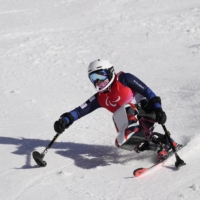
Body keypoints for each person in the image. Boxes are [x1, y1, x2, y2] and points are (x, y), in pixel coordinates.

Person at [54, 59, 178, 161]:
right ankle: (160, 146)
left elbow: (147, 91)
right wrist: (64, 120)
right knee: (122, 140)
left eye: (100, 75)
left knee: (125, 110)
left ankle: (149, 136)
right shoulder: (100, 98)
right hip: (130, 122)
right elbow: (79, 111)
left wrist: (158, 110)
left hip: (147, 111)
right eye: (93, 78)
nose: (98, 81)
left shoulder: (124, 79)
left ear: (110, 72)